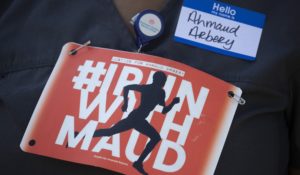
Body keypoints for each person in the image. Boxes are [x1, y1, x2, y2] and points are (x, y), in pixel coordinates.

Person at [0, 0, 300, 175]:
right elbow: (132, 88)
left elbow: (161, 104)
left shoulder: (286, 20)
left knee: (141, 137)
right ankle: (78, 133)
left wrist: (170, 106)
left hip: (139, 119)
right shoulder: (17, 12)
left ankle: (134, 157)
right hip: (133, 117)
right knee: (111, 132)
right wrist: (128, 99)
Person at [93, 71, 180, 175]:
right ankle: (138, 163)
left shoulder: (150, 89)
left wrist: (126, 103)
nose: (164, 82)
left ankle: (138, 163)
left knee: (110, 132)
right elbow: (164, 111)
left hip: (137, 118)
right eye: (164, 81)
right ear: (161, 81)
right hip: (136, 118)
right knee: (110, 132)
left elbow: (126, 88)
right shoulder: (160, 92)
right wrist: (173, 103)